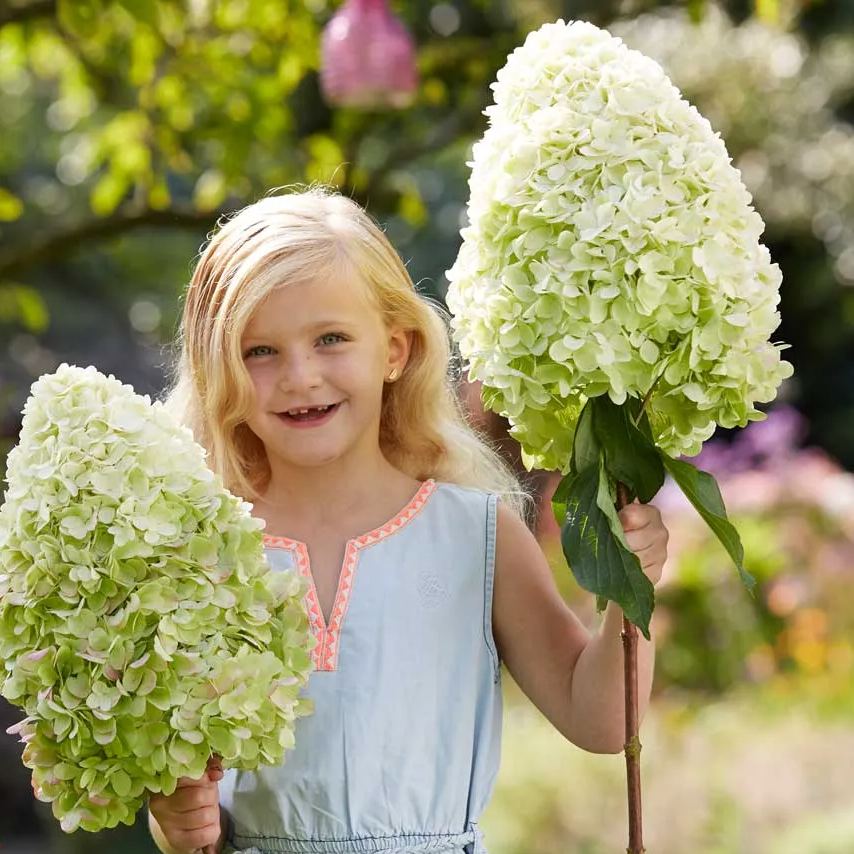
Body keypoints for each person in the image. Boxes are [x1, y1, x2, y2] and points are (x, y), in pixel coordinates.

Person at [148, 187, 668, 854]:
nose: (300, 376)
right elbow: (178, 783)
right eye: (259, 351)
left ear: (394, 350)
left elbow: (600, 721)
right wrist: (173, 816)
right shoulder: (197, 548)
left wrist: (632, 591)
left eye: (331, 339)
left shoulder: (475, 536)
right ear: (217, 365)